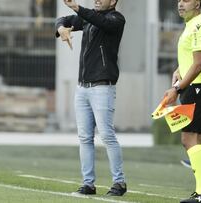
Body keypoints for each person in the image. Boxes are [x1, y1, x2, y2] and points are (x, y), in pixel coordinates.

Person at [55, 0, 127, 196]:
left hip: (102, 88)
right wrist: (61, 28)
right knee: (85, 138)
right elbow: (63, 19)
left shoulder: (116, 19)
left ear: (113, 1)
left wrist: (77, 7)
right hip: (82, 88)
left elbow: (99, 21)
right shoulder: (88, 18)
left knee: (107, 135)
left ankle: (119, 182)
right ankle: (88, 184)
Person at [163, 0, 201, 202]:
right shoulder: (193, 24)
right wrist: (180, 69)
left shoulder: (199, 25)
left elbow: (199, 64)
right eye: (179, 0)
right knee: (199, 138)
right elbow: (193, 59)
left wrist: (177, 89)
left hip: (199, 87)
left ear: (198, 3)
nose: (180, 4)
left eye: (186, 0)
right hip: (196, 86)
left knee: (189, 138)